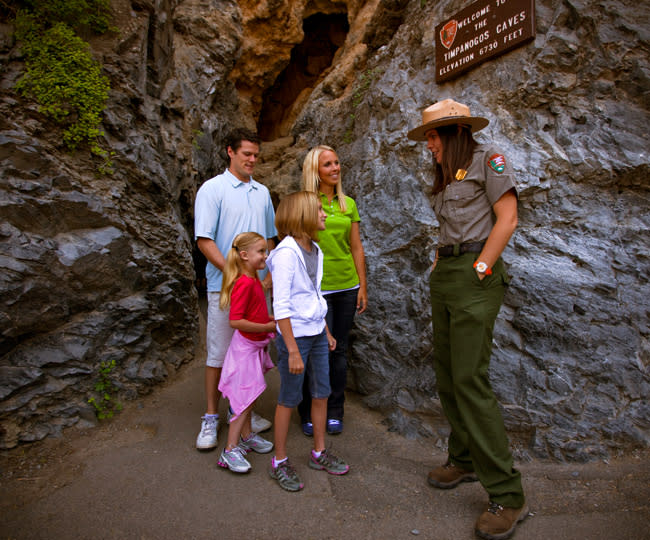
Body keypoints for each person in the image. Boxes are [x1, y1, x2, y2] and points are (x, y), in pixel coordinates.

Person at [407, 99, 527, 540]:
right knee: (448, 375)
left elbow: (508, 217)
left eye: (434, 137)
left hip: (476, 272)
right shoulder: (444, 174)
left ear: (456, 132)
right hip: (448, 272)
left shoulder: (488, 160)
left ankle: (508, 495)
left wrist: (482, 266)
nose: (429, 145)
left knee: (470, 381)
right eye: (427, 138)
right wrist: (443, 265)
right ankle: (463, 459)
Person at [194, 128, 276, 451]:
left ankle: (243, 415)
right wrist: (236, 275)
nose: (253, 160)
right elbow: (204, 240)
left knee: (252, 354)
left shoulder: (263, 193)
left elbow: (269, 240)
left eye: (256, 155)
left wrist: (266, 277)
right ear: (230, 152)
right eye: (247, 155)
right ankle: (212, 417)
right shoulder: (212, 190)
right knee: (218, 355)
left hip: (259, 288)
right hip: (224, 288)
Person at [266, 191, 350, 491]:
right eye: (318, 210)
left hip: (315, 333)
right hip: (295, 338)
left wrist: (326, 332)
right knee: (289, 398)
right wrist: (291, 350)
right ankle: (279, 461)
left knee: (321, 392)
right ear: (302, 216)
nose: (325, 214)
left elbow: (315, 295)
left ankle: (318, 452)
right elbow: (282, 305)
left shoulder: (315, 248)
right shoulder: (287, 254)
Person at [298, 145, 367, 436]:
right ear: (315, 170)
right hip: (318, 290)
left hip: (346, 287)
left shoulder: (347, 204)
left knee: (339, 352)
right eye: (328, 164)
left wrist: (362, 285)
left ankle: (335, 410)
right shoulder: (305, 204)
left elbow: (355, 247)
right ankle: (309, 411)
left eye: (337, 163)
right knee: (315, 353)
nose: (335, 168)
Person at [216, 232, 277, 473]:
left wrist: (268, 318)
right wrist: (265, 327)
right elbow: (236, 321)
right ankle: (229, 451)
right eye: (261, 251)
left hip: (254, 346)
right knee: (242, 400)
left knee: (249, 397)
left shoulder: (253, 281)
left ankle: (247, 435)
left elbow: (254, 313)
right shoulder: (243, 282)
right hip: (245, 350)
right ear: (244, 255)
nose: (266, 255)